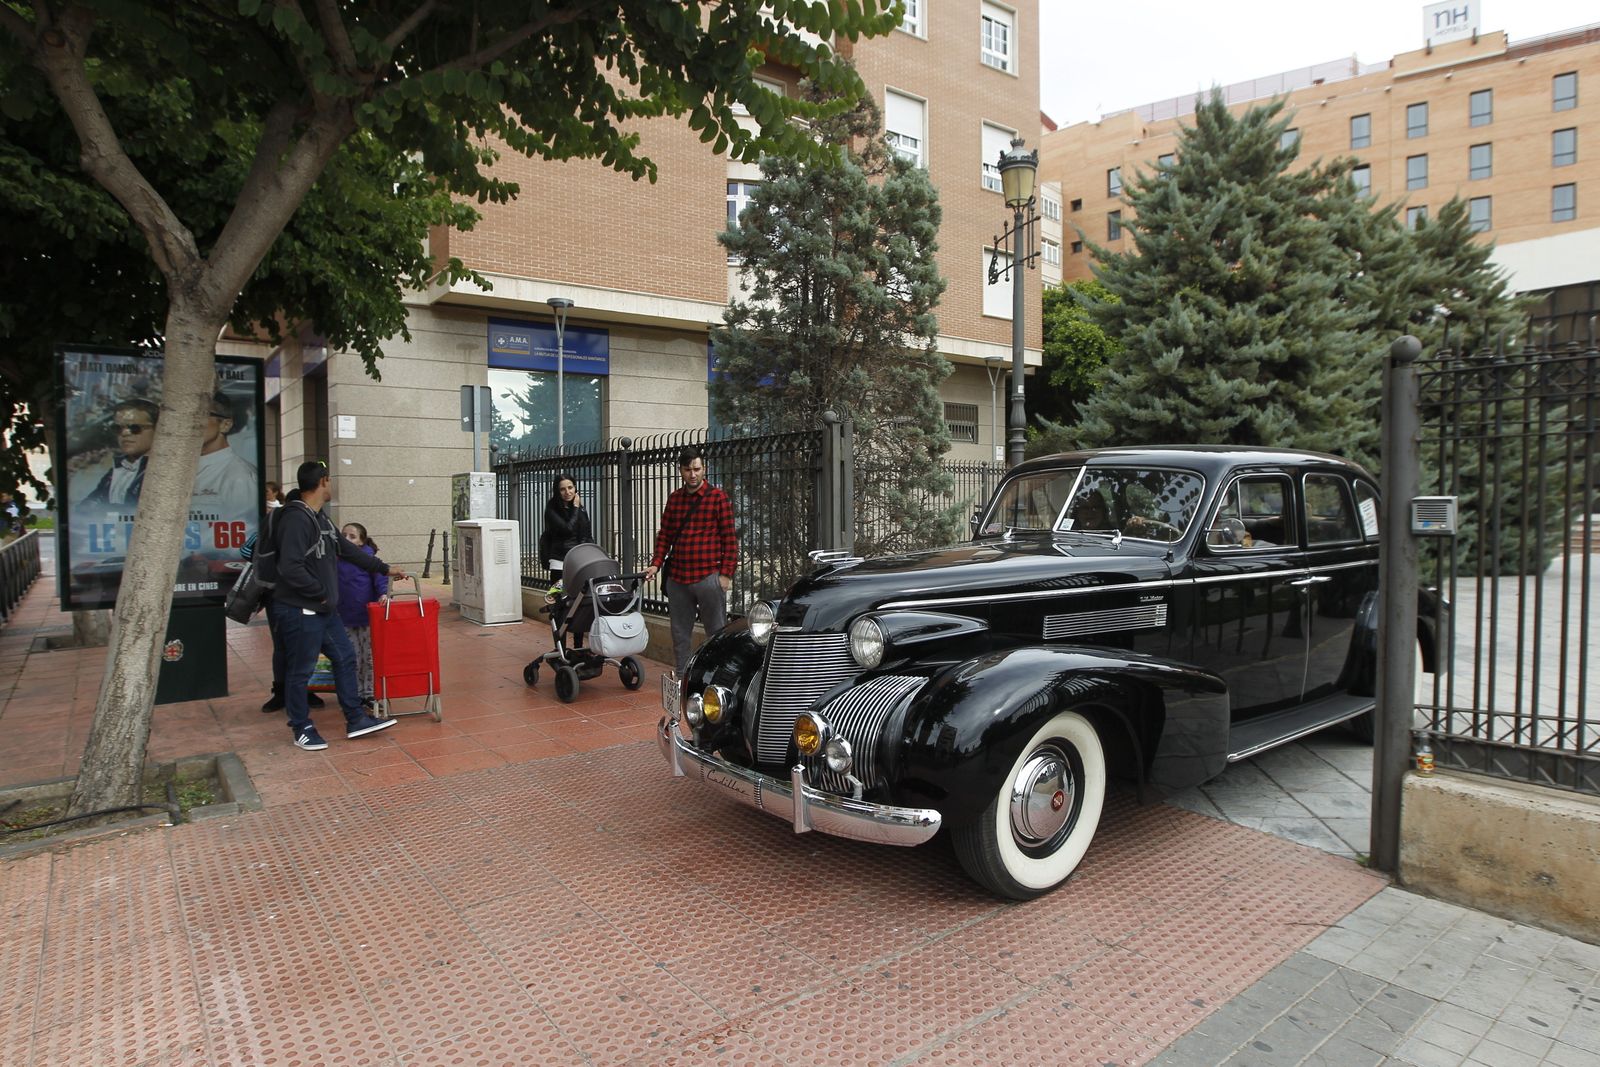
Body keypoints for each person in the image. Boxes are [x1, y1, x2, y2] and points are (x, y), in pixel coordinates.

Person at [262, 460, 407, 750]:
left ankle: (356, 719)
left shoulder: (321, 518)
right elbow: (290, 567)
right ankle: (301, 728)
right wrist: (321, 593)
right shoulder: (296, 519)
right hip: (301, 609)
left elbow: (348, 551)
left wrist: (384, 568)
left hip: (323, 611)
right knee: (300, 670)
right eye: (331, 480)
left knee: (345, 658)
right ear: (323, 481)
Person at [643, 446, 738, 673]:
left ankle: (717, 677)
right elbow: (664, 534)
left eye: (696, 469)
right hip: (678, 579)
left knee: (716, 633)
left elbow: (730, 540)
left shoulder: (718, 498)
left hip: (708, 578)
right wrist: (656, 563)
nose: (692, 474)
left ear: (704, 469)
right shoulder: (675, 499)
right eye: (688, 470)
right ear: (681, 471)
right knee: (679, 634)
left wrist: (725, 574)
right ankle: (683, 677)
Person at [244, 486, 325, 713]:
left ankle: (294, 693)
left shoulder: (297, 523)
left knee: (295, 647)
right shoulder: (276, 524)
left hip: (292, 596)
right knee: (288, 647)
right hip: (285, 596)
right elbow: (247, 550)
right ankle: (287, 694)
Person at [337, 522, 388, 714]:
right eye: (344, 535)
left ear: (362, 540)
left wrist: (383, 594)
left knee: (369, 657)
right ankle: (355, 694)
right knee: (352, 657)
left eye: (352, 536)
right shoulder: (336, 559)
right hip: (345, 617)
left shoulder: (368, 559)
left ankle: (369, 693)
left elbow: (380, 579)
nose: (347, 539)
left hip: (367, 617)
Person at [78, 397, 159, 510]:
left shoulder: (165, 470)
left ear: (158, 430)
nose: (124, 433)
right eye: (117, 428)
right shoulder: (117, 467)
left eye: (135, 428)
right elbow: (86, 507)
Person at [191, 390, 258, 525]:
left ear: (225, 424)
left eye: (201, 415)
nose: (192, 423)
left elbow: (246, 531)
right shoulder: (184, 468)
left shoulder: (240, 476)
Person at [539, 474, 592, 573]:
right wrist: (576, 508)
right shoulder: (552, 509)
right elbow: (567, 530)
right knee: (558, 589)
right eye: (562, 489)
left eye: (570, 487)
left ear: (575, 488)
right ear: (557, 491)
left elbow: (587, 534)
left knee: (579, 588)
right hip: (560, 560)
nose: (567, 492)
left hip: (580, 559)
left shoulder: (580, 509)